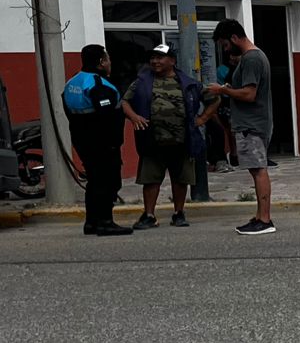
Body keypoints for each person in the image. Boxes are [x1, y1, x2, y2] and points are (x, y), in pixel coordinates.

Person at [122, 44, 215, 229]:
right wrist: (134, 117)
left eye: (160, 57)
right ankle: (149, 215)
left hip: (182, 140)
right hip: (152, 140)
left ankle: (179, 213)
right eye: (153, 58)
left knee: (180, 179)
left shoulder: (189, 83)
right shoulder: (141, 82)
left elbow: (214, 99)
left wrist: (203, 118)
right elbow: (125, 101)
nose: (155, 61)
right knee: (150, 179)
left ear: (172, 61)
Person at [207, 19, 275, 235]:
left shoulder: (252, 58)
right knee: (256, 170)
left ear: (235, 38)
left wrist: (223, 91)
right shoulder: (252, 57)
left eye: (226, 45)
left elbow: (249, 94)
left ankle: (264, 219)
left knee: (258, 170)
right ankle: (259, 216)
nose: (226, 50)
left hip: (252, 125)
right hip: (252, 123)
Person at [62, 44, 132, 236]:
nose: (110, 63)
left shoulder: (73, 82)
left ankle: (91, 222)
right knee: (107, 181)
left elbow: (68, 110)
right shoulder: (99, 85)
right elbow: (106, 117)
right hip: (102, 142)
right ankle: (105, 222)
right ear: (101, 62)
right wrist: (111, 142)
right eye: (107, 59)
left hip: (81, 139)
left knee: (94, 180)